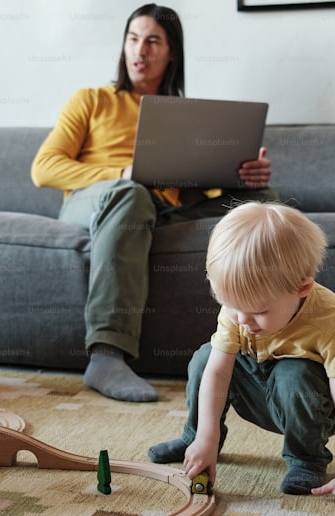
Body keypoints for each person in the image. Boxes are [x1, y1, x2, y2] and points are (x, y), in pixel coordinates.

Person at [31, 4, 274, 402]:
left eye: (152, 41)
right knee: (131, 193)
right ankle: (107, 354)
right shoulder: (92, 100)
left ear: (171, 52)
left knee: (264, 201)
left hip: (155, 211)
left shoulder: (187, 116)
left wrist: (244, 177)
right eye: (132, 39)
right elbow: (44, 168)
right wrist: (120, 174)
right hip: (98, 203)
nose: (139, 50)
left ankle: (274, 334)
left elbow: (195, 190)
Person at [147, 202, 335, 515]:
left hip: (317, 409)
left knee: (294, 373)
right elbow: (216, 374)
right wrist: (206, 437)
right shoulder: (240, 309)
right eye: (230, 305)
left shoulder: (333, 320)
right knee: (206, 358)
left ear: (302, 288)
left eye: (258, 311)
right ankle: (196, 441)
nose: (243, 320)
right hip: (261, 392)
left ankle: (306, 459)